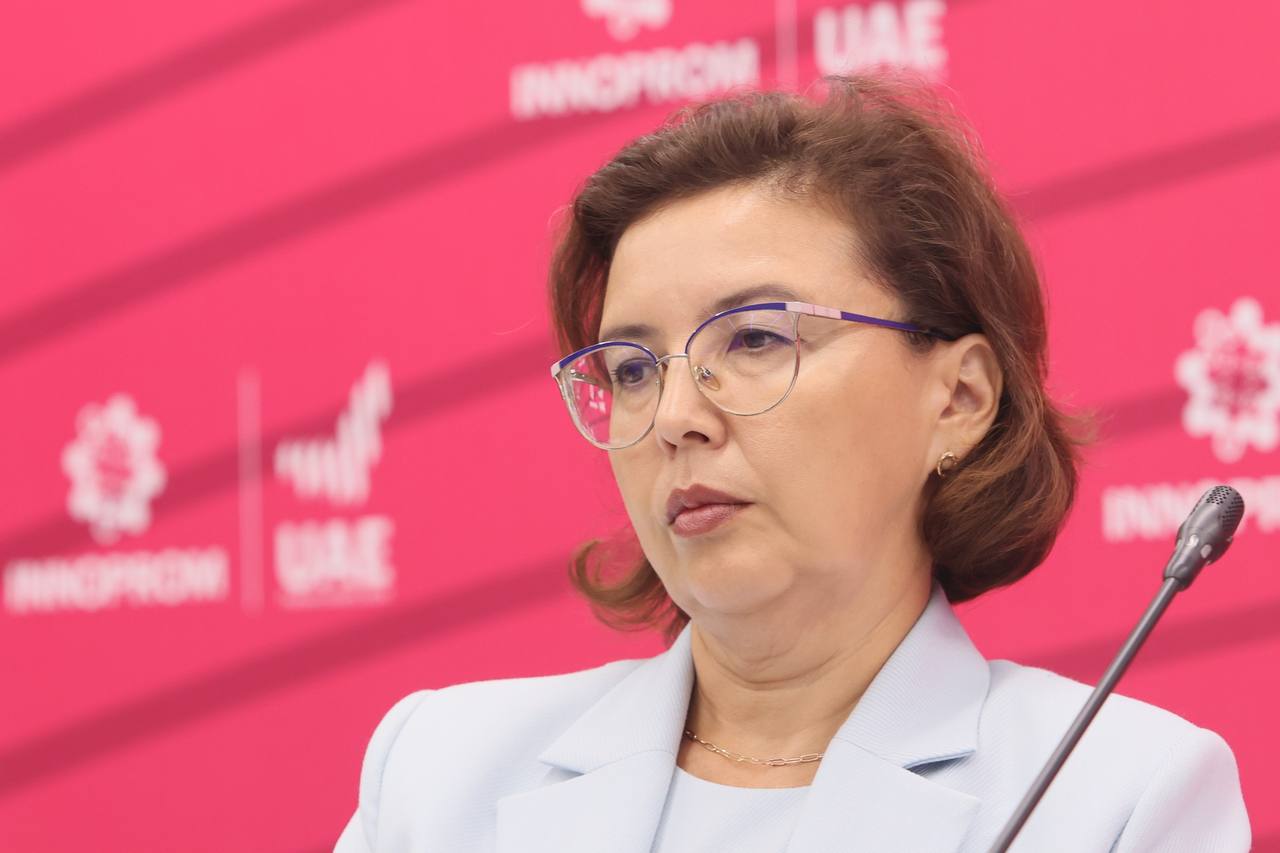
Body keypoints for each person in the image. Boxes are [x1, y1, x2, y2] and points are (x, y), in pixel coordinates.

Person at [334, 71, 1250, 852]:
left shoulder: (1116, 797)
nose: (676, 418)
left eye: (756, 339)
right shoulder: (439, 773)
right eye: (634, 368)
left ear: (959, 398)